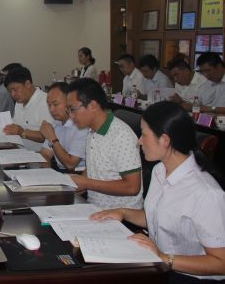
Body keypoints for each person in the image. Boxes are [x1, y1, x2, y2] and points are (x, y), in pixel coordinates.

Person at [91, 101, 225, 282]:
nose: (139, 141)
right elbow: (158, 217)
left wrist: (163, 257)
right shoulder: (159, 170)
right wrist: (122, 212)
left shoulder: (206, 193)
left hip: (191, 277)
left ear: (164, 140)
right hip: (163, 267)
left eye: (144, 134)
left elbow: (221, 263)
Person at [66, 78, 143, 209]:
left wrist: (87, 183)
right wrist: (75, 184)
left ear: (93, 105)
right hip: (95, 208)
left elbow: (132, 187)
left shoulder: (121, 136)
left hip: (121, 215)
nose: (71, 116)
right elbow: (96, 168)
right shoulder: (92, 130)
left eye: (73, 109)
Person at [2, 66, 54, 151]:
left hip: (38, 154)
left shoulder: (46, 102)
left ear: (28, 84)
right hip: (18, 150)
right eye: (10, 91)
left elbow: (49, 136)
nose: (13, 94)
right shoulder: (19, 101)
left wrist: (23, 132)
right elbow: (16, 126)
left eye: (15, 89)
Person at [39, 82, 88, 171]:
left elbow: (70, 164)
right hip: (59, 171)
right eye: (49, 105)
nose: (51, 110)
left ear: (69, 101)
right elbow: (45, 154)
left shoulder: (81, 126)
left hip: (79, 173)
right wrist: (46, 172)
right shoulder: (55, 123)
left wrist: (53, 139)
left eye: (56, 104)